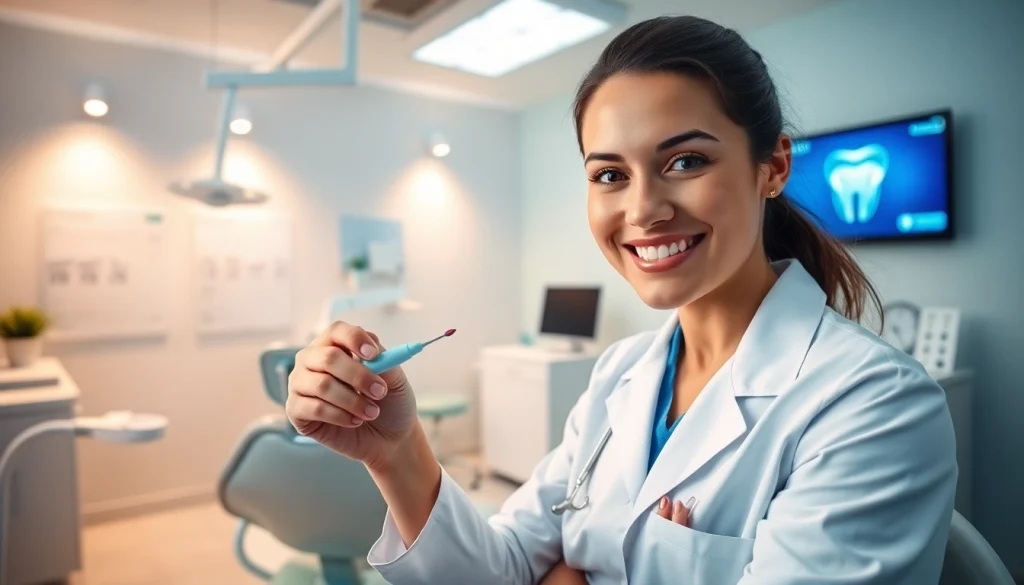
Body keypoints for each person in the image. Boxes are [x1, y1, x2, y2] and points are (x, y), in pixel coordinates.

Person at [285, 15, 958, 585]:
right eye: (610, 174)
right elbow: (504, 565)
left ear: (773, 166)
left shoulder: (873, 405)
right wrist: (394, 449)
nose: (643, 209)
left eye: (686, 161)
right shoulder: (620, 376)